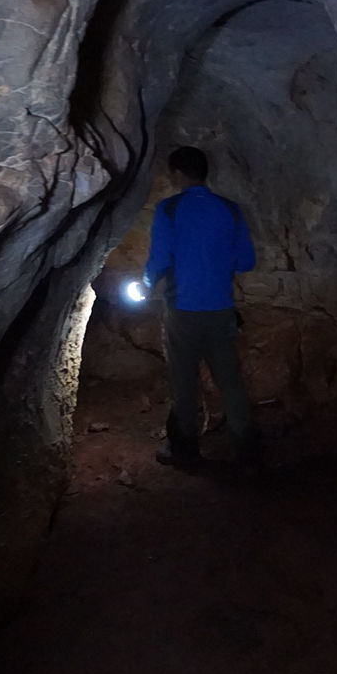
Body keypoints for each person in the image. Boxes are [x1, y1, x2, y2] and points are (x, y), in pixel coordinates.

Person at [142, 145, 259, 468]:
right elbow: (246, 261)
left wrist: (147, 283)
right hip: (221, 309)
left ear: (178, 173)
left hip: (183, 311)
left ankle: (186, 450)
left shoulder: (169, 209)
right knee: (230, 381)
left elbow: (160, 260)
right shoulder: (231, 210)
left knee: (183, 381)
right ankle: (247, 450)